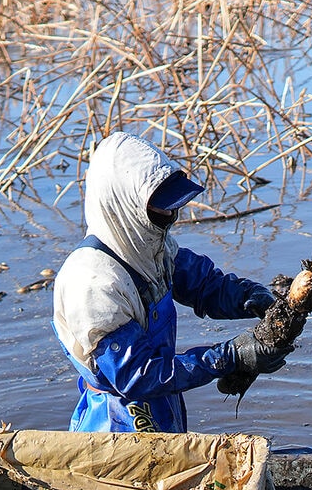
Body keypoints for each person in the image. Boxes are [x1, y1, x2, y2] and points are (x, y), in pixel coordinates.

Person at [52, 131, 290, 433]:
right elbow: (137, 376)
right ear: (125, 204)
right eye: (160, 207)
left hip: (163, 402)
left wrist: (251, 296)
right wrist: (227, 357)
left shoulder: (147, 249)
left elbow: (204, 285)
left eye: (172, 206)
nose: (170, 215)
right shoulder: (93, 284)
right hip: (117, 423)